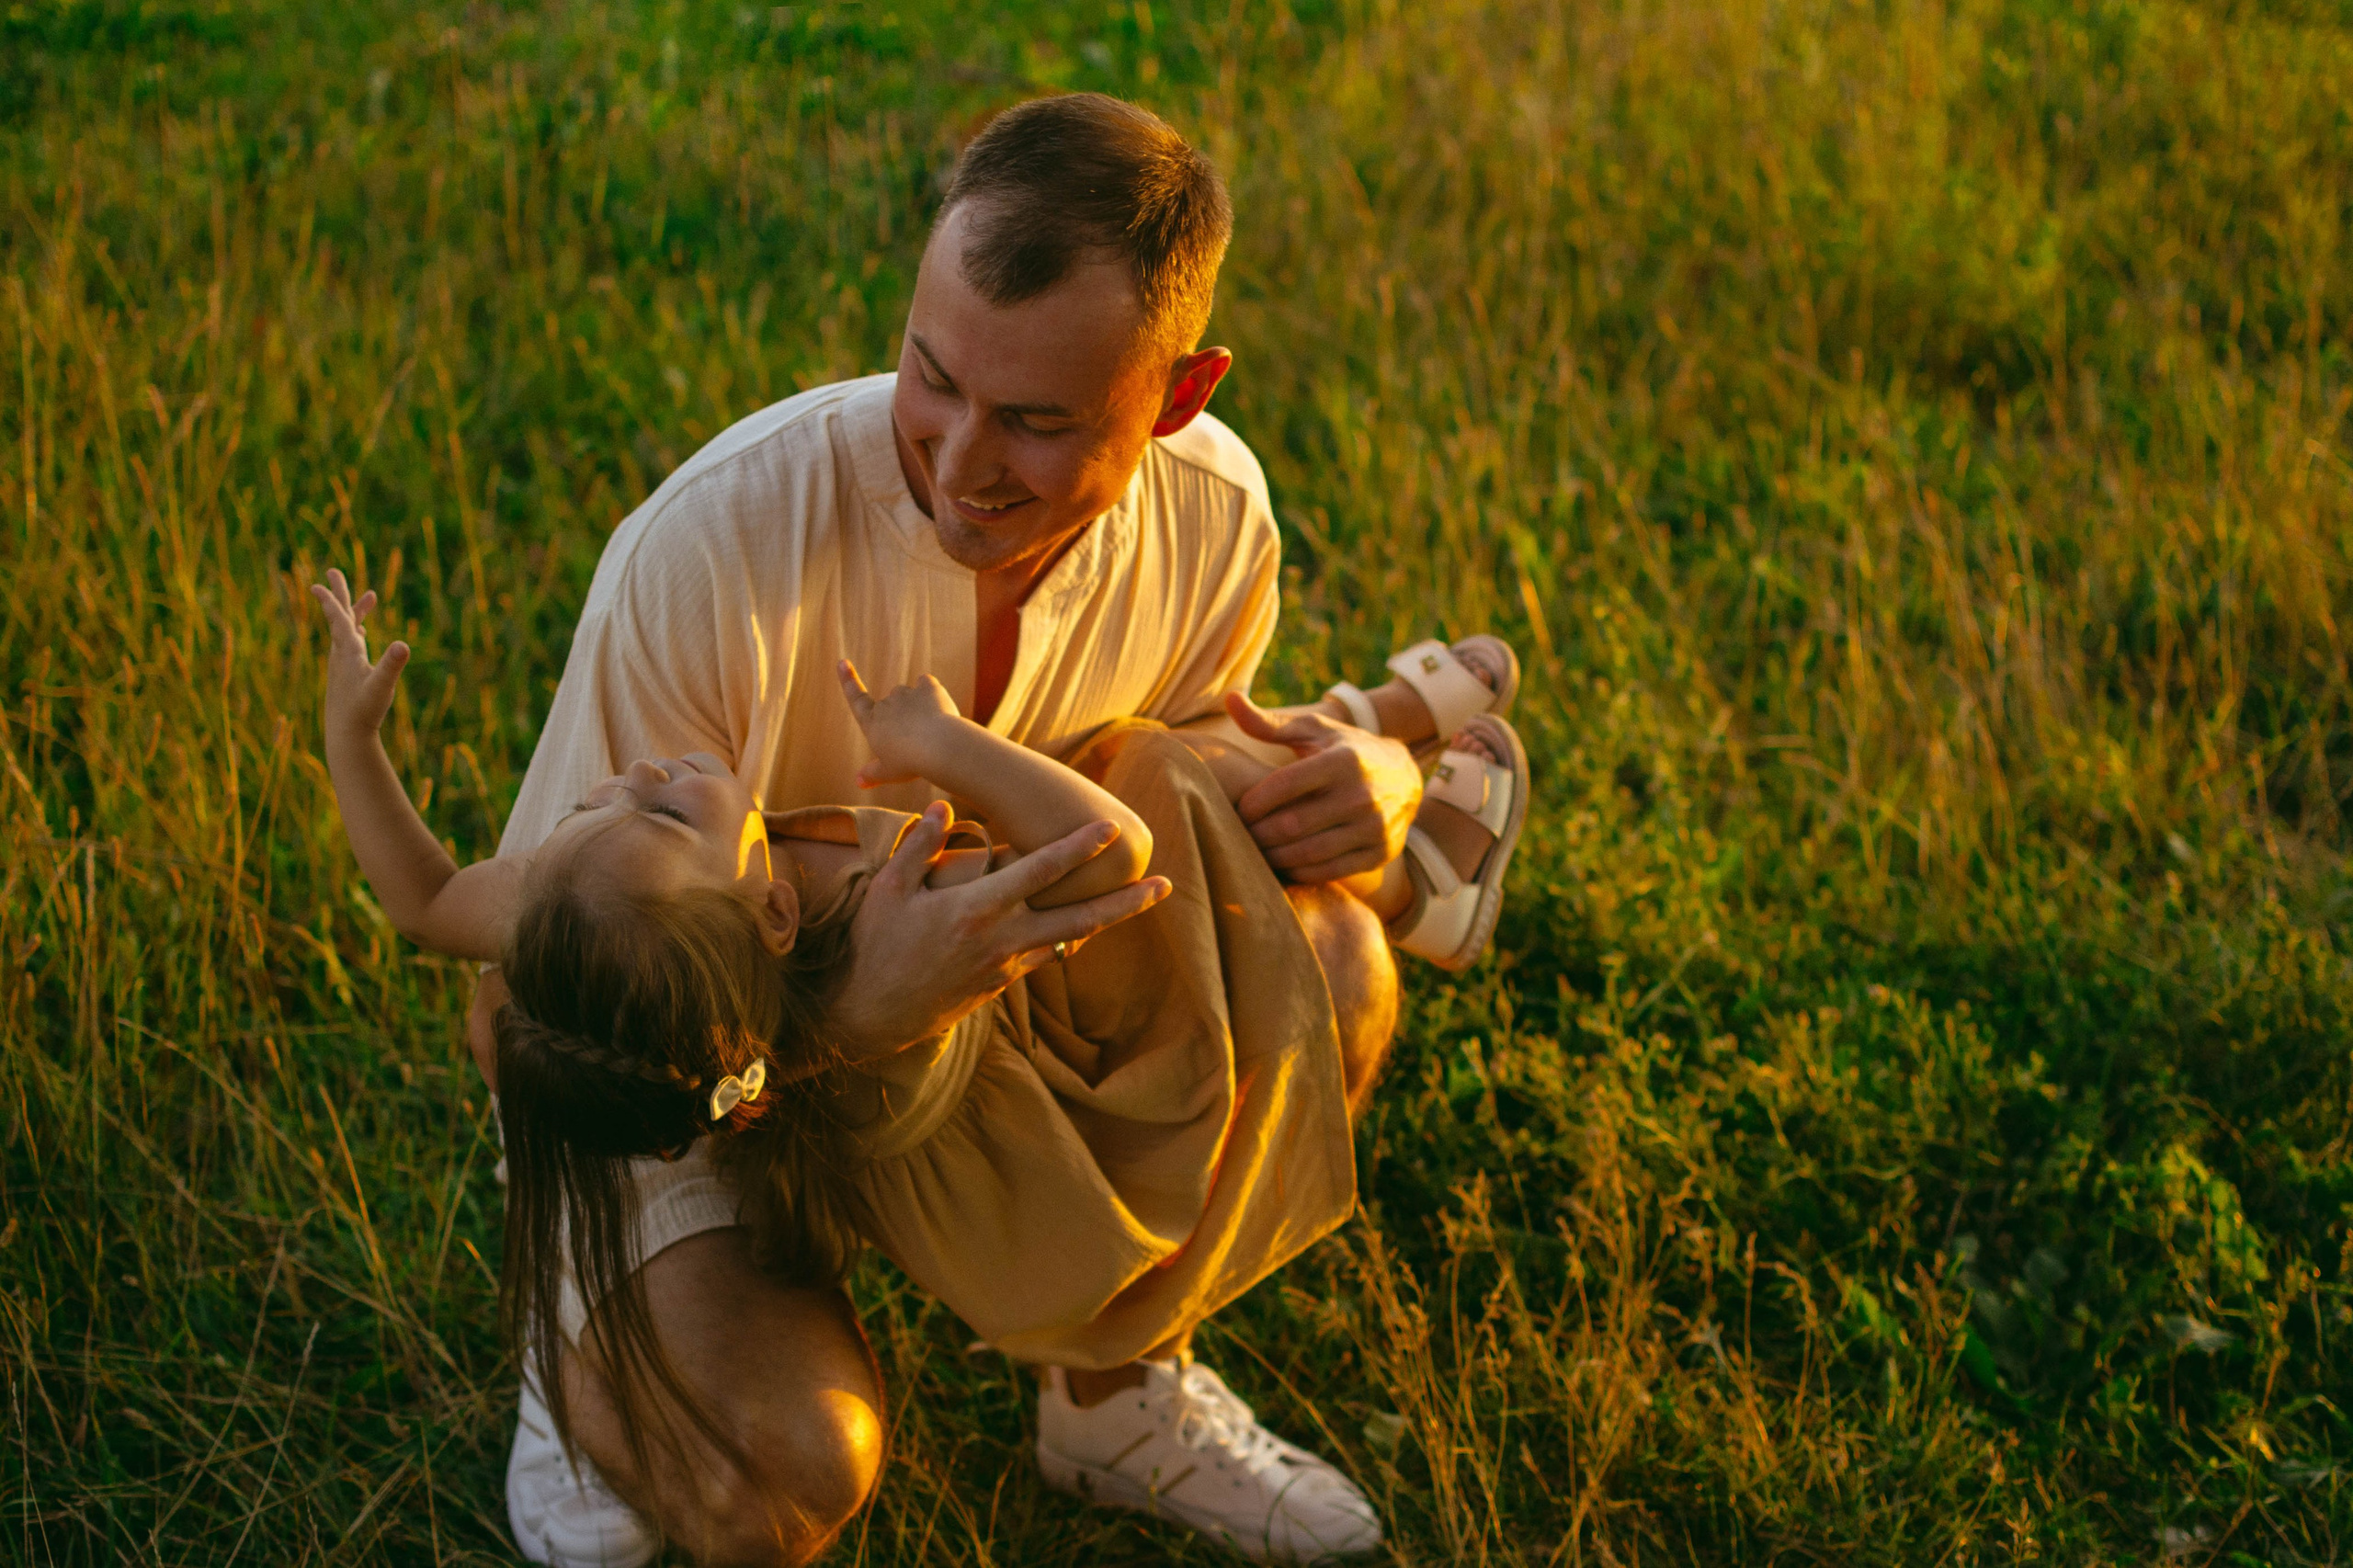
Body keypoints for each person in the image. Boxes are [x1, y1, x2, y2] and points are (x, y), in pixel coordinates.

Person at [444, 92, 1524, 1566]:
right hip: (686, 1079)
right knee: (782, 1472)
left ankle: (1111, 1390)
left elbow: (1183, 789)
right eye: (930, 376)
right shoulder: (711, 551)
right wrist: (826, 1028)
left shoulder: (1217, 516)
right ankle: (588, 1342)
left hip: (980, 1036)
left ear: (1180, 393)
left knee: (1336, 965)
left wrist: (1374, 785)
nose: (959, 461)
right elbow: (515, 1010)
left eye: (1035, 419)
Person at [310, 567, 1529, 1566]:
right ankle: (1398, 811)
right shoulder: (876, 897)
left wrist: (351, 741)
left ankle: (1383, 775)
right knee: (1169, 787)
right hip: (1032, 1175)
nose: (635, 775)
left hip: (887, 1090)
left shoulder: (608, 916)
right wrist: (940, 741)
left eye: (598, 806)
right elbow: (1112, 856)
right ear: (775, 909)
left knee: (1209, 802)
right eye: (661, 815)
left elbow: (422, 900)